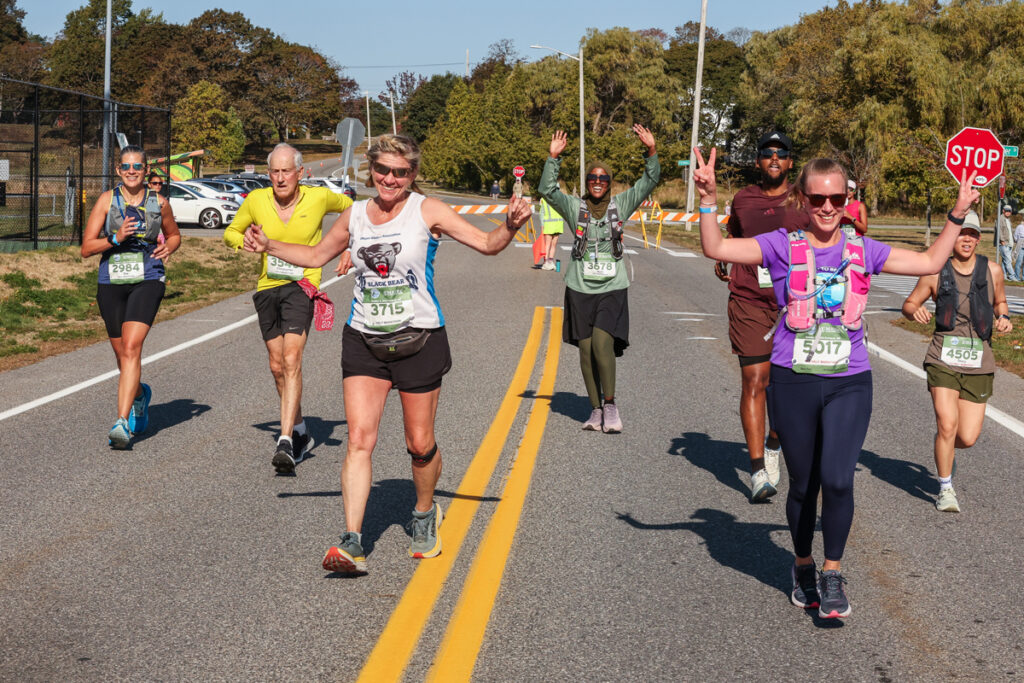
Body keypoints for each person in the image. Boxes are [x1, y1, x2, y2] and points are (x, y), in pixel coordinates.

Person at [694, 147, 978, 619]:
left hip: (849, 381)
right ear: (802, 200)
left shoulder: (864, 250)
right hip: (793, 379)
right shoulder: (782, 244)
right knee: (803, 485)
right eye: (818, 199)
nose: (827, 207)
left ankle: (831, 572)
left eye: (837, 198)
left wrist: (957, 213)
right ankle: (802, 564)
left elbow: (930, 260)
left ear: (848, 199)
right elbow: (717, 249)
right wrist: (707, 199)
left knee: (839, 480)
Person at [242, 134, 532, 574]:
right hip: (364, 340)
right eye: (382, 170)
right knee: (360, 440)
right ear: (371, 170)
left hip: (419, 338)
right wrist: (270, 247)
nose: (390, 179)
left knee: (419, 445)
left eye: (400, 172)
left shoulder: (427, 210)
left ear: (412, 174)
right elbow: (318, 254)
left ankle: (423, 512)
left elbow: (487, 245)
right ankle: (352, 541)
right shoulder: (356, 214)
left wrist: (509, 225)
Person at [223, 143, 352, 474]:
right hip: (268, 286)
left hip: (302, 285)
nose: (281, 178)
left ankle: (285, 441)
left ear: (300, 173)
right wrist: (244, 243)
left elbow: (355, 210)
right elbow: (230, 232)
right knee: (277, 365)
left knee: (292, 358)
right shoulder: (255, 201)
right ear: (269, 174)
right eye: (275, 172)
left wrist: (350, 245)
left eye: (286, 171)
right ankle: (299, 429)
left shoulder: (320, 198)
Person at [540, 124, 659, 433]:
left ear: (609, 182)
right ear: (587, 182)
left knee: (603, 344)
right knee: (586, 349)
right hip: (579, 286)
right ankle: (594, 410)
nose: (597, 182)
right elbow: (547, 191)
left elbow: (649, 182)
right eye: (592, 178)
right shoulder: (574, 207)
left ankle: (610, 405)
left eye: (602, 178)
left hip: (612, 287)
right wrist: (553, 158)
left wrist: (651, 151)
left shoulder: (621, 205)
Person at [714, 131, 809, 501]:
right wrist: (725, 256)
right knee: (755, 378)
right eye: (767, 153)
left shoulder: (804, 199)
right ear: (757, 161)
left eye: (780, 153)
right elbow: (731, 235)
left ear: (789, 162)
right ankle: (757, 471)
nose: (773, 158)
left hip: (796, 304)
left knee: (787, 390)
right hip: (749, 300)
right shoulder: (743, 199)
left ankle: (774, 441)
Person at [901, 211, 1013, 513]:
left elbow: (1000, 302)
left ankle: (945, 447)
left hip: (979, 361)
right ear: (952, 237)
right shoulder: (935, 272)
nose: (967, 239)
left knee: (967, 436)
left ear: (979, 238)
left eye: (973, 234)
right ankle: (946, 488)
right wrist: (915, 311)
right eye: (962, 233)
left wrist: (1003, 317)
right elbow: (910, 302)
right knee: (947, 423)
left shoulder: (993, 271)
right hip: (942, 358)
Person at [81, 145, 181, 449]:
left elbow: (174, 234)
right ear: (118, 170)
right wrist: (116, 238)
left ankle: (121, 422)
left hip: (148, 277)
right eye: (126, 166)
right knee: (122, 354)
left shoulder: (159, 202)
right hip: (111, 280)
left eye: (138, 166)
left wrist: (170, 246)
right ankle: (139, 395)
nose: (132, 171)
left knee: (132, 347)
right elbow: (86, 248)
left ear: (146, 169)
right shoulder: (106, 201)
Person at [538, 196, 564, 271]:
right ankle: (547, 262)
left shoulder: (546, 200)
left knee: (551, 244)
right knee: (550, 245)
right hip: (554, 225)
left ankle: (548, 261)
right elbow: (542, 213)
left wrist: (542, 225)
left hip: (553, 225)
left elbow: (541, 213)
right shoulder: (558, 199)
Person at [996, 204, 1016, 281]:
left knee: (1005, 261)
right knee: (1008, 261)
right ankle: (1012, 276)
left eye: (1009, 211)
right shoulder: (1000, 218)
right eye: (1006, 211)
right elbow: (999, 230)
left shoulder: (1008, 220)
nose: (1008, 212)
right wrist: (1001, 240)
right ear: (1003, 211)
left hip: (1009, 243)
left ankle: (1003, 275)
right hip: (1004, 243)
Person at [1012, 210, 1024, 282]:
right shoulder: (1019, 226)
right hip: (1021, 246)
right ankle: (1017, 276)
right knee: (1019, 262)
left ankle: (1023, 277)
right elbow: (1015, 236)